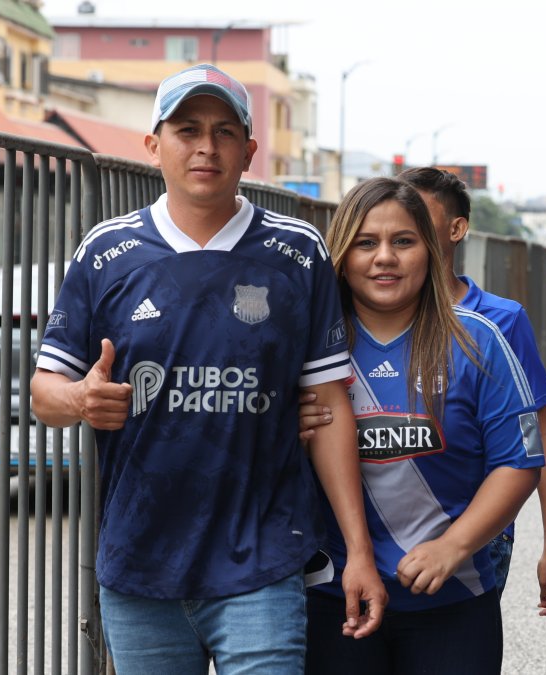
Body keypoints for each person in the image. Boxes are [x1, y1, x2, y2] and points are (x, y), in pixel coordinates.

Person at [30, 64, 386, 673]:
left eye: (225, 132)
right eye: (187, 128)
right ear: (153, 145)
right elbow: (44, 391)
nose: (206, 146)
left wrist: (358, 551)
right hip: (140, 565)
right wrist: (80, 401)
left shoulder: (297, 252)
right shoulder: (105, 252)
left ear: (249, 152)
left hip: (263, 562)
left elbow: (329, 410)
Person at [300, 166, 546, 615]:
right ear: (342, 253)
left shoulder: (490, 330)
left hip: (458, 581)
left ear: (436, 244)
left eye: (404, 240)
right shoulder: (308, 339)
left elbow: (533, 442)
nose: (385, 256)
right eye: (366, 242)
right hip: (335, 584)